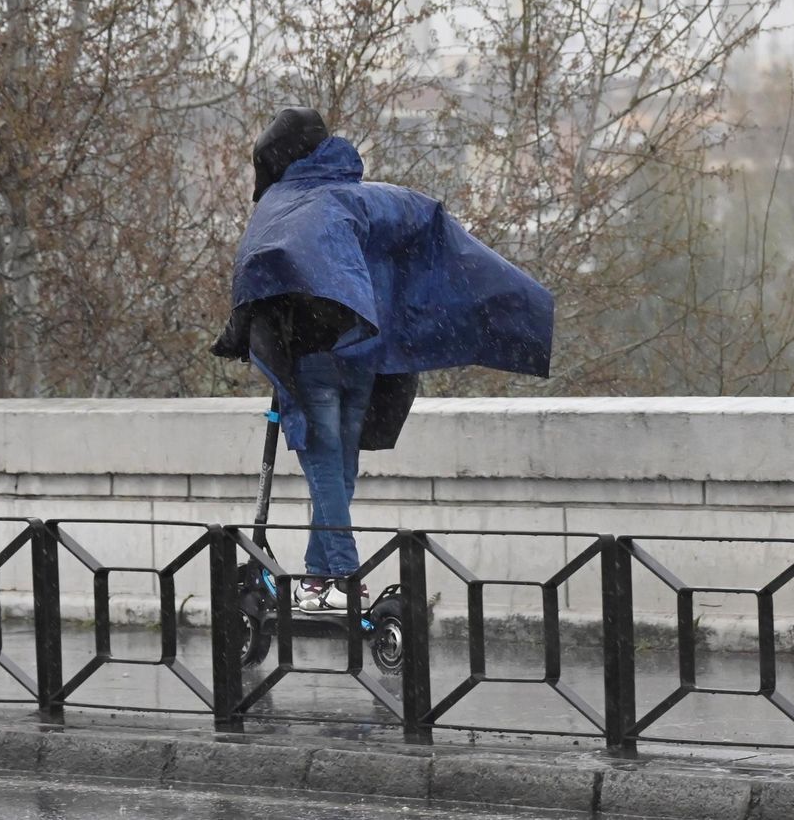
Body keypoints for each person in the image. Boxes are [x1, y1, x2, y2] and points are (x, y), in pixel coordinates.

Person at [213, 107, 553, 613]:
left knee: (323, 461)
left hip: (314, 355)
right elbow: (431, 230)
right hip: (367, 359)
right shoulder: (373, 199)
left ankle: (344, 577)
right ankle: (319, 577)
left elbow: (261, 268)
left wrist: (241, 331)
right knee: (340, 466)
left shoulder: (287, 204)